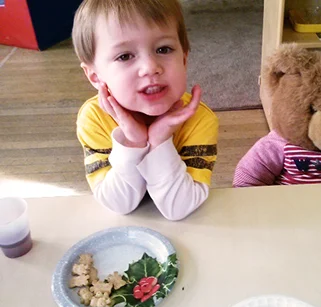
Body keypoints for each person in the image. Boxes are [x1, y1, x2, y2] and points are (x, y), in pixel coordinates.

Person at [71, 0, 218, 220]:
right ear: (95, 76)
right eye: (125, 56)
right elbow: (119, 205)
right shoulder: (94, 119)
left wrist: (159, 140)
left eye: (163, 49)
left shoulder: (199, 119)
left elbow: (179, 208)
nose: (151, 67)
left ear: (184, 59)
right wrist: (132, 142)